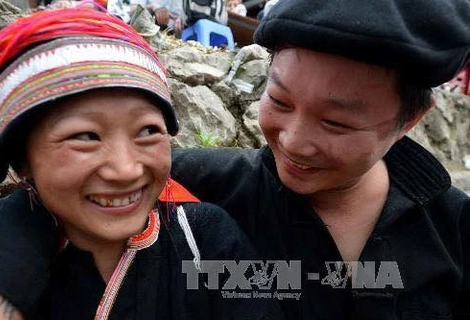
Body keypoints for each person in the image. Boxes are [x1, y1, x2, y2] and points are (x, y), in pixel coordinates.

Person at [171, 0, 470, 319]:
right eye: (279, 101)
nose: (294, 142)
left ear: (409, 120)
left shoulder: (454, 232)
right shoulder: (195, 191)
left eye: (335, 123)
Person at [0, 7, 284, 320]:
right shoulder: (5, 244)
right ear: (22, 160)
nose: (126, 169)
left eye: (148, 131)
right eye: (85, 137)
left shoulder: (207, 241)